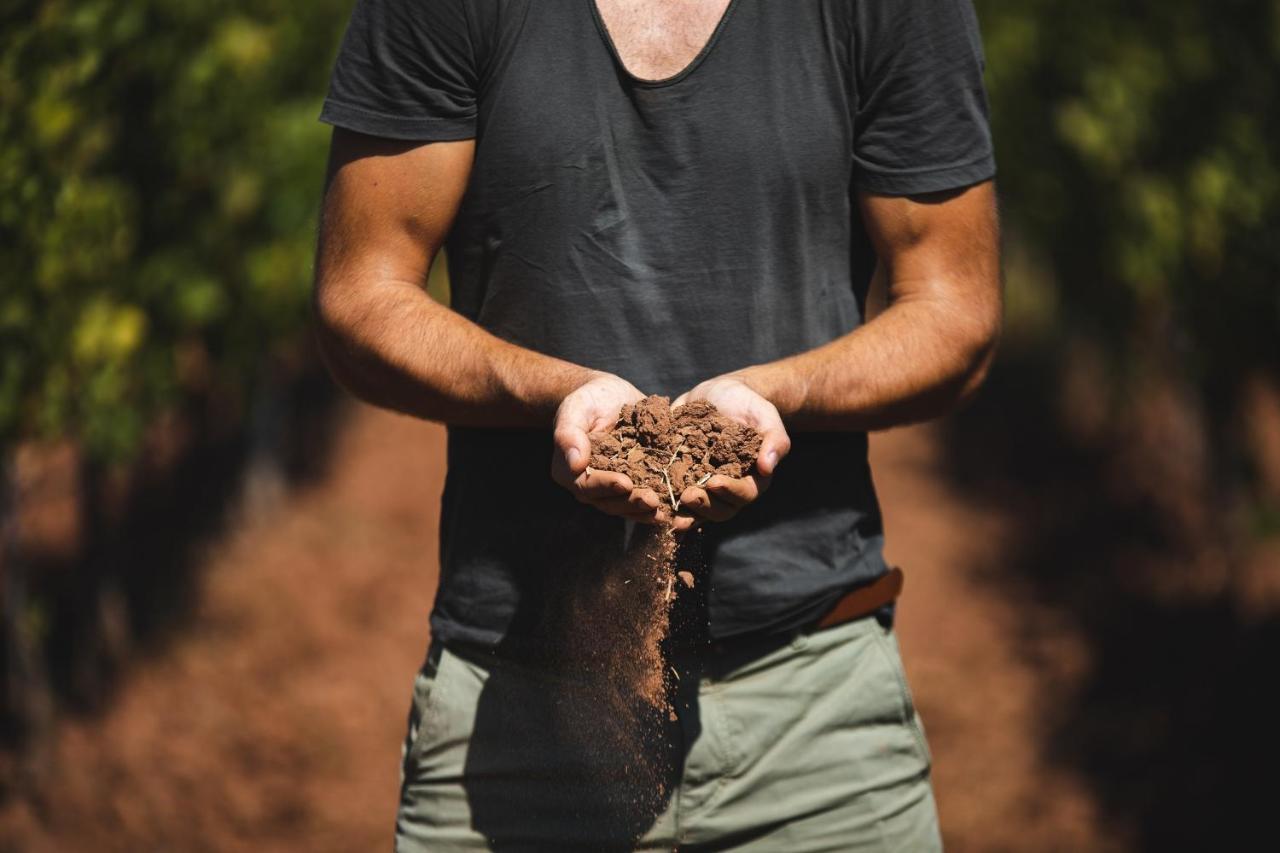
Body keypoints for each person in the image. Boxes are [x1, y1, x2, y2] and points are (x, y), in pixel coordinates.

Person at [313, 0, 999, 849]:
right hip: (518, 701)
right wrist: (555, 393)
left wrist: (776, 395)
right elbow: (361, 297)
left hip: (813, 715)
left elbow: (954, 312)